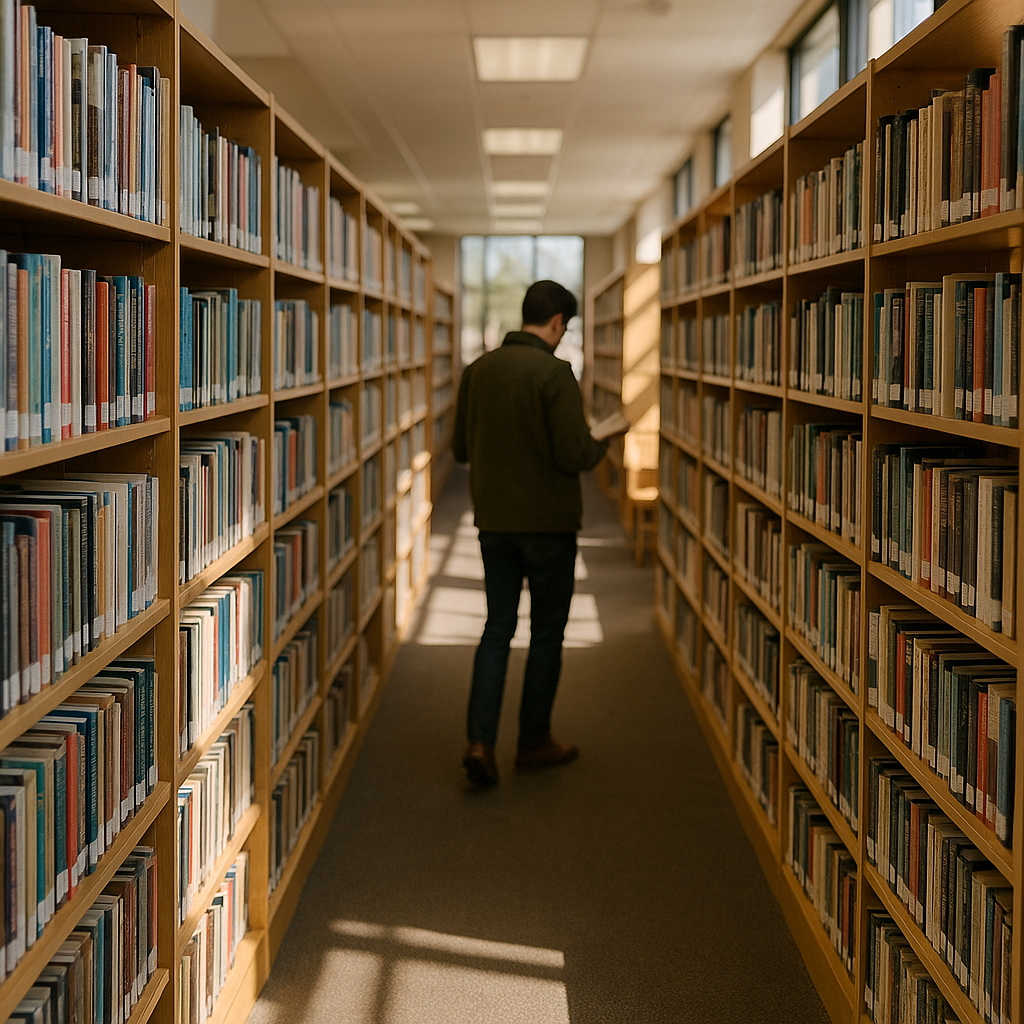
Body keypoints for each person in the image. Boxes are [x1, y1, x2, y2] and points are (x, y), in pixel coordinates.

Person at [451, 279, 620, 786]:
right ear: (554, 324)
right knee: (546, 633)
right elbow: (575, 455)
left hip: (494, 523)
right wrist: (607, 439)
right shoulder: (555, 374)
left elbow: (461, 449)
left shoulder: (476, 372)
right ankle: (532, 741)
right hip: (548, 526)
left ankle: (480, 741)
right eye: (564, 327)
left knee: (497, 627)